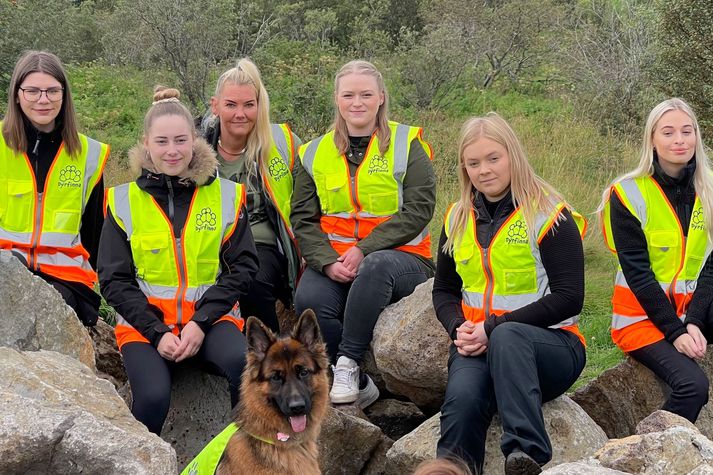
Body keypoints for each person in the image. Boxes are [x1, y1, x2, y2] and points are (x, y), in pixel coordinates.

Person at [432, 113, 587, 475]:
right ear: (464, 168)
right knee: (463, 400)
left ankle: (525, 456)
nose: (484, 170)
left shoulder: (550, 214)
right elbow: (443, 290)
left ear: (513, 156)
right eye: (473, 163)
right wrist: (459, 329)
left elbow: (569, 298)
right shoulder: (456, 217)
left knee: (508, 334)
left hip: (552, 349)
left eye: (493, 158)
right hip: (479, 347)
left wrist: (494, 326)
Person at [98, 87, 259, 435]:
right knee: (154, 398)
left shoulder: (226, 196)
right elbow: (113, 281)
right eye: (162, 142)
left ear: (195, 140)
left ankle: (246, 458)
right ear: (146, 143)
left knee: (244, 369)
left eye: (180, 140)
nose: (172, 151)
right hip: (146, 329)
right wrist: (157, 335)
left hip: (212, 323)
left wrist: (200, 323)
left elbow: (243, 268)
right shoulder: (122, 202)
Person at [291, 59, 436, 409]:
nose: (358, 102)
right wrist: (326, 263)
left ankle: (347, 363)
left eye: (366, 94)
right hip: (336, 259)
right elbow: (303, 219)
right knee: (309, 301)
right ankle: (363, 384)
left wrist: (365, 249)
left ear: (381, 98)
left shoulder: (408, 144)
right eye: (349, 95)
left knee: (375, 267)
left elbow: (419, 209)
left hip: (403, 260)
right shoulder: (311, 153)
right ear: (337, 100)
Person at [600, 97, 713, 424]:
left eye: (687, 131)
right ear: (652, 139)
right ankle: (643, 454)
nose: (679, 140)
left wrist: (695, 321)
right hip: (641, 318)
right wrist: (677, 333)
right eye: (668, 132)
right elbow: (639, 276)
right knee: (693, 386)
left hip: (692, 308)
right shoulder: (627, 193)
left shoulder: (708, 187)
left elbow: (710, 267)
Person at [0, 50, 109, 326]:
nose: (43, 100)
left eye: (52, 91)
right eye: (33, 91)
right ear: (17, 94)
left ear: (64, 94)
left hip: (66, 280)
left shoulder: (89, 154)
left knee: (50, 312)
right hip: (6, 269)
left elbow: (94, 235)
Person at [202, 58, 301, 333]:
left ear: (259, 106)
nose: (240, 113)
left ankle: (269, 361)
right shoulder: (195, 149)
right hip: (211, 246)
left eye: (249, 105)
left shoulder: (282, 144)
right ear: (215, 105)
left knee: (251, 280)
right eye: (231, 105)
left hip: (264, 247)